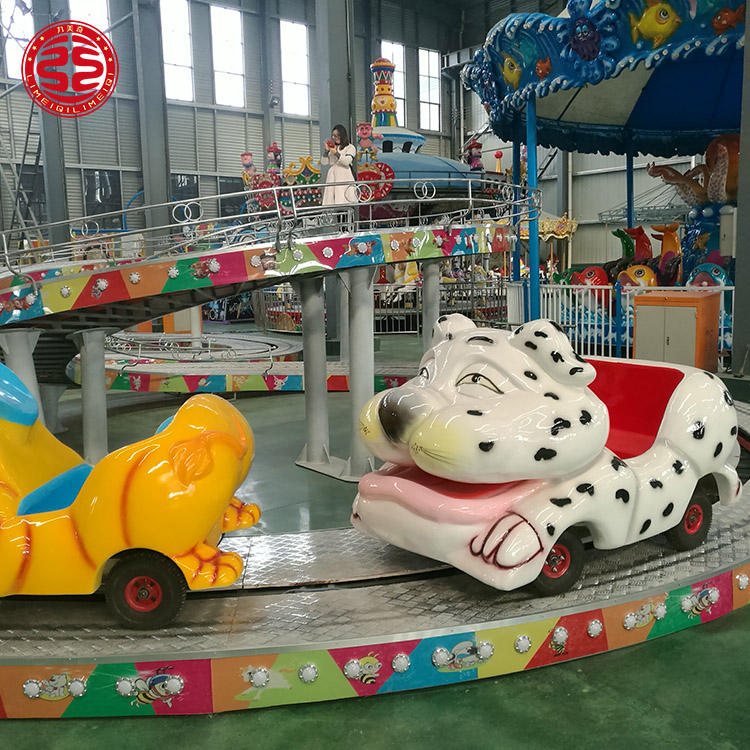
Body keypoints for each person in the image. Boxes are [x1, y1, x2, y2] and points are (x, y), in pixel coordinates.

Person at [322, 124, 357, 206]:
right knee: (333, 200)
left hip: (344, 175)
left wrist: (336, 153)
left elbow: (347, 161)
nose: (334, 138)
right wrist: (326, 151)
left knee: (344, 199)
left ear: (342, 135)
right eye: (333, 136)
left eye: (337, 135)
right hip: (333, 176)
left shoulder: (350, 147)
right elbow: (324, 162)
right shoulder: (334, 147)